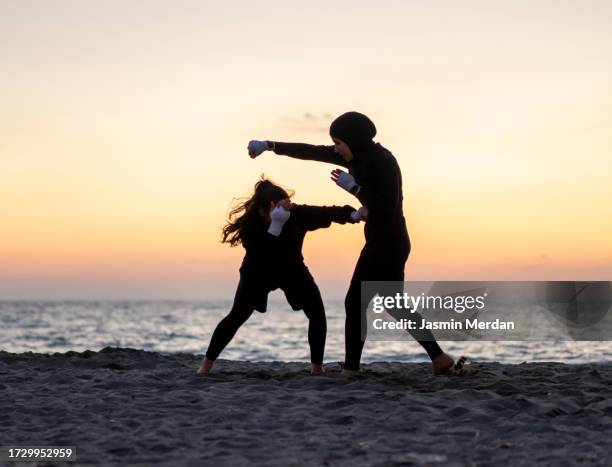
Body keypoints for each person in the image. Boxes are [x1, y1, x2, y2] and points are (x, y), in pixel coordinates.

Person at [247, 111, 456, 376]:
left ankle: (351, 370)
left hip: (389, 242)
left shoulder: (384, 162)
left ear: (353, 141)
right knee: (394, 303)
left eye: (338, 143)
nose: (335, 149)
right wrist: (270, 146)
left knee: (355, 302)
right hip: (381, 240)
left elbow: (386, 208)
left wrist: (354, 189)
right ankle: (438, 358)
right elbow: (310, 151)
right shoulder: (352, 154)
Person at [198, 177, 366, 375]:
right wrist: (276, 224)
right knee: (237, 316)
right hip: (257, 272)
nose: (284, 213)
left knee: (317, 312)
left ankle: (316, 369)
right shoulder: (251, 225)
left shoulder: (294, 214)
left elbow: (327, 212)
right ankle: (206, 366)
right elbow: (263, 254)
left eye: (285, 208)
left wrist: (354, 215)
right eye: (278, 210)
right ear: (262, 210)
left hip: (292, 270)